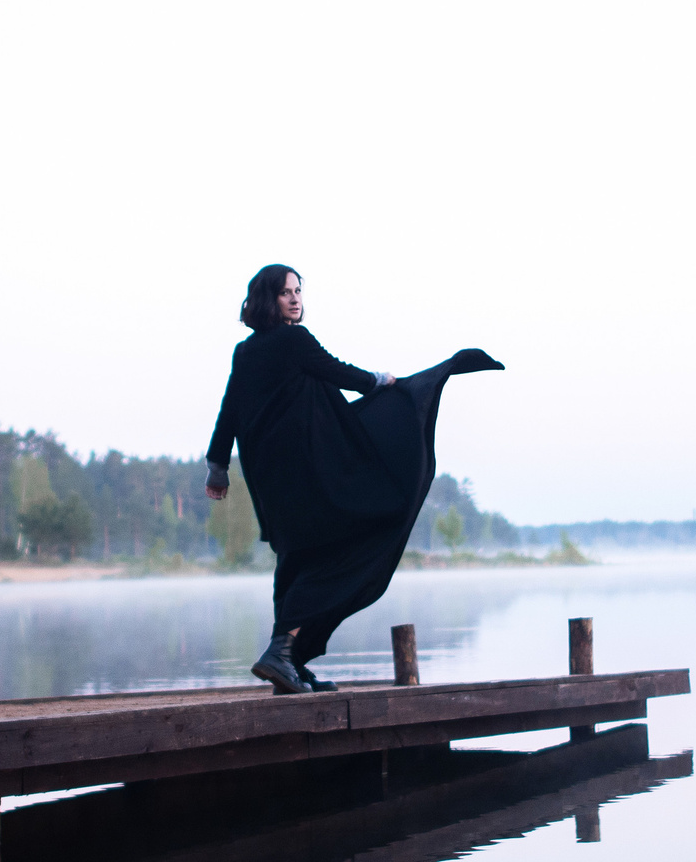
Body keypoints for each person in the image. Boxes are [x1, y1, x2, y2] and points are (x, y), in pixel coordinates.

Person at [206, 264, 501, 694]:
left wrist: (217, 465)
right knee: (340, 544)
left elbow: (230, 408)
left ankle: (289, 663)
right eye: (286, 292)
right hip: (303, 467)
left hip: (267, 475)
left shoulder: (245, 351)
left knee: (295, 559)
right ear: (268, 298)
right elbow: (336, 371)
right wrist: (382, 381)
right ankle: (282, 652)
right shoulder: (294, 340)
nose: (295, 299)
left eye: (298, 291)